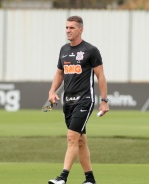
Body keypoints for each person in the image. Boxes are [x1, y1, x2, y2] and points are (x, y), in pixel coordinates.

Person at [48, 15, 109, 184]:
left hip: (84, 101)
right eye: (66, 27)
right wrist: (52, 91)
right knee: (80, 141)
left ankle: (63, 177)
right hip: (68, 102)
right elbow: (60, 73)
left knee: (71, 137)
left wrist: (104, 101)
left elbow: (101, 76)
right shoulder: (64, 50)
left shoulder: (91, 50)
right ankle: (90, 179)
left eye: (72, 28)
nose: (68, 30)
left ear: (80, 30)